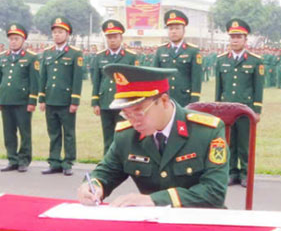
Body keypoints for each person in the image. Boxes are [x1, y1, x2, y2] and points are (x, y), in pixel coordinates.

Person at [77, 64, 228, 208]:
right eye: (126, 114)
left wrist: (153, 200)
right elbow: (107, 172)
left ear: (163, 101)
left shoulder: (207, 131)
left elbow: (214, 192)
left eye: (138, 112)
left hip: (199, 222)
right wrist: (93, 186)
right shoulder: (127, 135)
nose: (133, 121)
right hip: (152, 223)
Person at [214, 18, 263, 187]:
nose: (234, 40)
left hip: (245, 109)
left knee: (244, 143)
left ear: (245, 39)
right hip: (226, 109)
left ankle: (245, 174)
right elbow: (219, 88)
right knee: (229, 142)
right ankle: (231, 172)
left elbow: (258, 87)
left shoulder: (255, 61)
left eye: (238, 37)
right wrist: (218, 108)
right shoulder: (221, 60)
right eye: (232, 37)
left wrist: (257, 110)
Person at [38, 17, 83, 176]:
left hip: (66, 101)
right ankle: (54, 161)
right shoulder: (47, 53)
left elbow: (77, 79)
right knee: (54, 132)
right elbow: (43, 77)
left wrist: (75, 100)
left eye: (60, 32)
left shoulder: (75, 54)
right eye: (55, 32)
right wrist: (42, 98)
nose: (57, 35)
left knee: (68, 133)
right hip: (51, 99)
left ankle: (68, 162)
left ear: (67, 34)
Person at [0, 23, 38, 173]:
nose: (13, 41)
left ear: (23, 40)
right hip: (6, 100)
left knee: (24, 132)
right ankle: (12, 159)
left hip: (22, 101)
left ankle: (24, 160)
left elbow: (34, 81)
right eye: (11, 39)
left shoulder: (31, 58)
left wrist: (32, 101)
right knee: (9, 132)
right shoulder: (2, 57)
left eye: (16, 38)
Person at [91, 19, 140, 153]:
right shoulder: (99, 57)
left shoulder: (130, 57)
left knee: (124, 134)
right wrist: (95, 102)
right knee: (107, 136)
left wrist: (134, 103)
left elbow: (135, 81)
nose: (112, 40)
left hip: (124, 102)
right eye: (109, 37)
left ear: (121, 38)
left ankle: (124, 163)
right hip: (105, 101)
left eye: (115, 37)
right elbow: (96, 80)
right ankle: (108, 163)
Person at [152, 9, 203, 106]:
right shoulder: (160, 50)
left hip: (184, 98)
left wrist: (194, 100)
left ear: (184, 30)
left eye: (177, 28)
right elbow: (155, 76)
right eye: (171, 29)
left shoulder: (192, 51)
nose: (174, 31)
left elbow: (196, 78)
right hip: (164, 98)